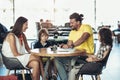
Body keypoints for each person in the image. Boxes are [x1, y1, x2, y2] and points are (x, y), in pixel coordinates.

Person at [54, 12, 94, 80]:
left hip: (86, 55)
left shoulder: (87, 27)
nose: (70, 24)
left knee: (71, 63)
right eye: (70, 23)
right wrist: (65, 46)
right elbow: (69, 45)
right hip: (75, 55)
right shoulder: (72, 31)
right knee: (57, 59)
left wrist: (71, 45)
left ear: (78, 22)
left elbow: (83, 38)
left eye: (72, 23)